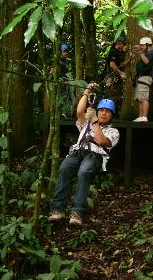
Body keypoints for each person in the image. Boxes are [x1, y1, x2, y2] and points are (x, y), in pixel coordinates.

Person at [49, 85, 120, 226]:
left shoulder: (114, 132)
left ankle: (77, 212)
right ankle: (58, 210)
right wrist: (87, 92)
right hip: (78, 152)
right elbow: (79, 111)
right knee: (64, 169)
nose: (103, 113)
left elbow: (101, 141)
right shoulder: (85, 124)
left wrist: (94, 121)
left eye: (107, 112)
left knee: (84, 172)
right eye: (101, 111)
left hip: (94, 155)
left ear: (111, 116)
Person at [133, 37, 153, 122]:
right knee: (140, 98)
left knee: (144, 98)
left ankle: (144, 116)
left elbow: (146, 62)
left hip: (146, 77)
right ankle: (140, 116)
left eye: (142, 45)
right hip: (142, 78)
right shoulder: (146, 53)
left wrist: (141, 53)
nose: (141, 47)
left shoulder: (150, 53)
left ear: (147, 45)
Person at [104, 36, 127, 110]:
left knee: (117, 95)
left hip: (116, 77)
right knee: (112, 95)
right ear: (119, 44)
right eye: (123, 44)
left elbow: (121, 63)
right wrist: (120, 73)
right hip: (112, 77)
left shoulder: (118, 52)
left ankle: (114, 112)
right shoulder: (113, 51)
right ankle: (109, 111)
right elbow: (112, 64)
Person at [58, 44, 76, 118]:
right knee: (64, 98)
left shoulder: (65, 61)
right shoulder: (58, 61)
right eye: (64, 51)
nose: (65, 53)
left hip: (67, 83)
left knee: (72, 99)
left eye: (66, 51)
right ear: (61, 52)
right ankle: (64, 114)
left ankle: (68, 115)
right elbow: (52, 71)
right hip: (62, 83)